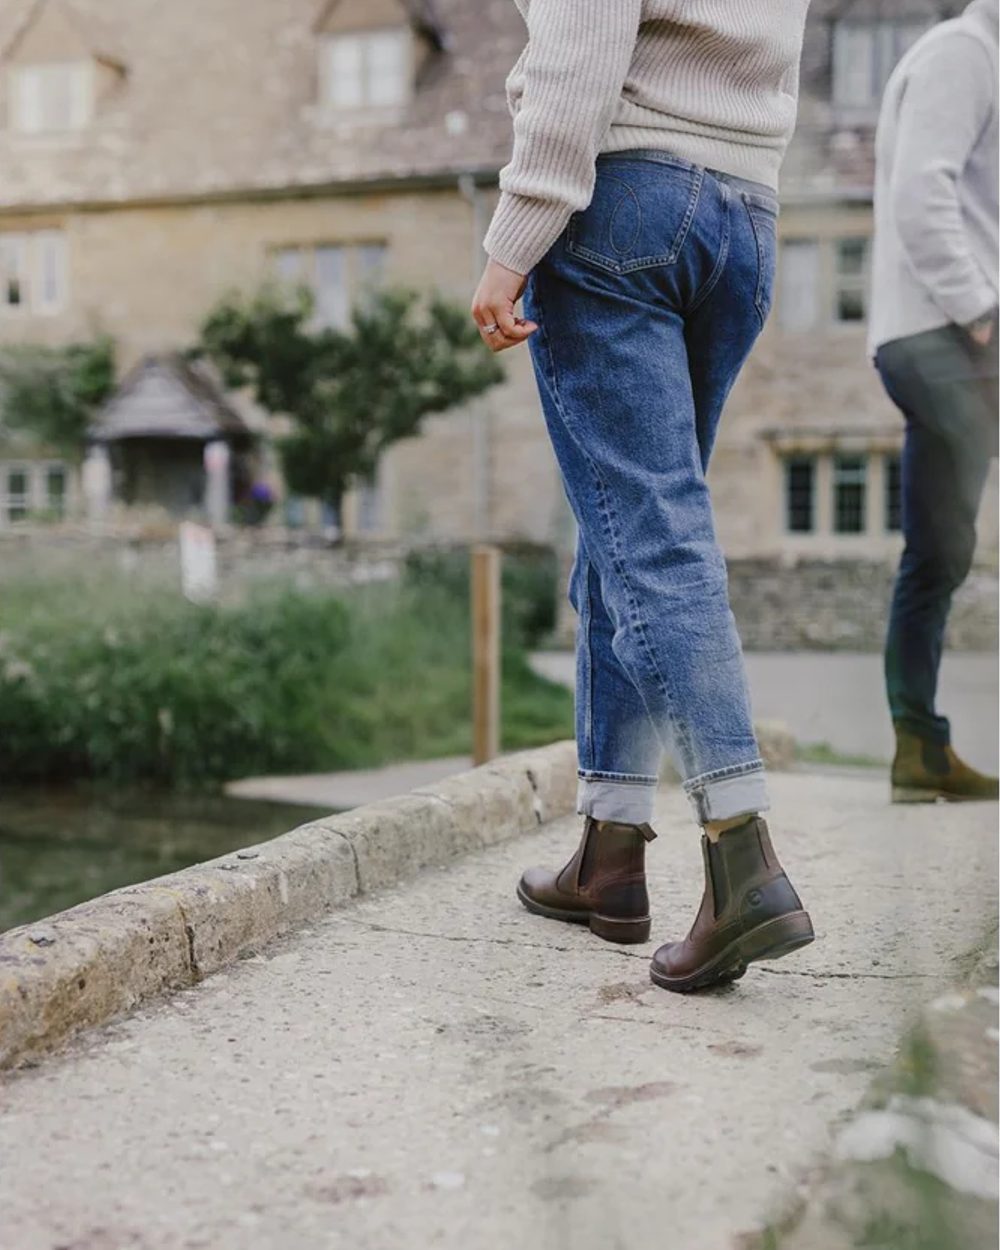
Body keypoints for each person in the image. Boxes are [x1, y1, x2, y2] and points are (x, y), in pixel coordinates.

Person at [471, 2, 815, 992]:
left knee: (651, 536)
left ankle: (740, 853)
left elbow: (581, 46)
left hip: (624, 199)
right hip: (744, 216)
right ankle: (609, 852)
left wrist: (514, 237)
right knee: (624, 530)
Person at [870, 0, 999, 804]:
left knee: (939, 552)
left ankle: (918, 749)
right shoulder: (965, 52)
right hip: (944, 335)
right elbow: (922, 194)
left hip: (933, 336)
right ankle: (918, 743)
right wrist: (979, 307)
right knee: (939, 553)